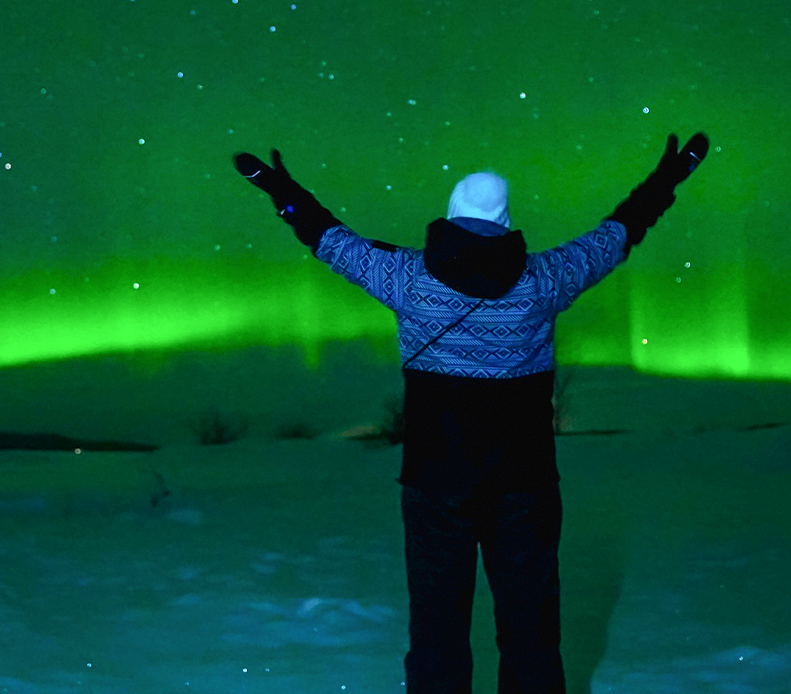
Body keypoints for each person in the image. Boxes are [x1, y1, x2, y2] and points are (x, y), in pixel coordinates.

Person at [233, 132, 709, 694]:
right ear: (505, 222)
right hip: (524, 490)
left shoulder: (406, 278)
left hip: (437, 488)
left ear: (452, 214)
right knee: (531, 639)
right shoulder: (542, 281)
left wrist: (279, 188)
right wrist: (667, 180)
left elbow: (327, 237)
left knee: (438, 639)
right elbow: (619, 234)